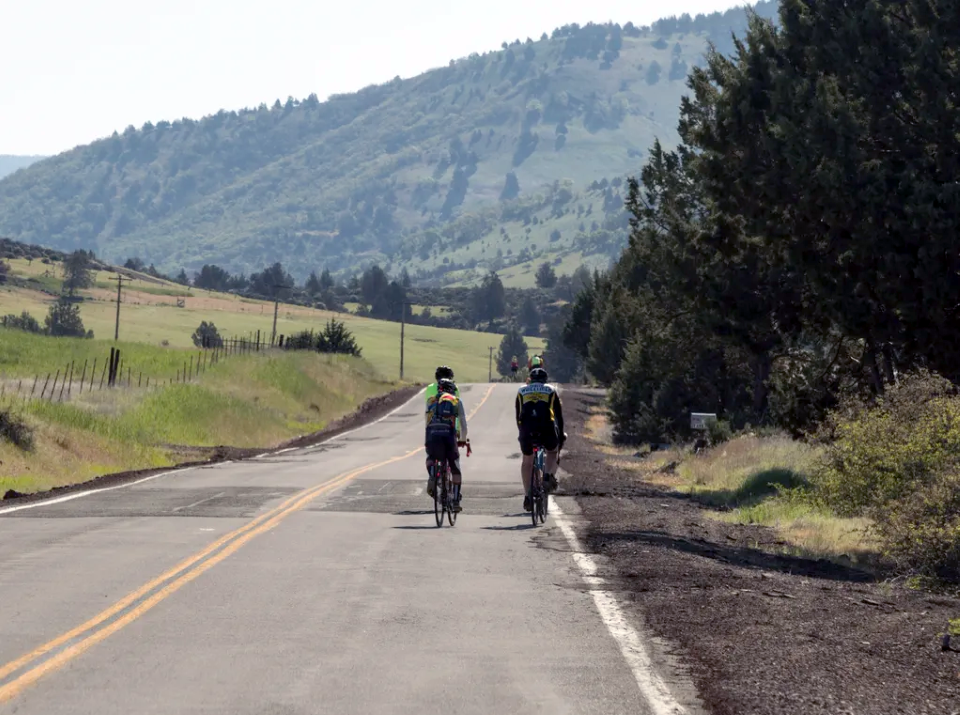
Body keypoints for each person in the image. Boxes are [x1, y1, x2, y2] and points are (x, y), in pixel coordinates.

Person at [515, 366, 565, 512]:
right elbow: (558, 416)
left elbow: (518, 415)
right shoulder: (550, 389)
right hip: (546, 427)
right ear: (545, 380)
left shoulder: (521, 390)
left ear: (530, 380)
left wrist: (522, 433)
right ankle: (548, 476)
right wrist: (561, 435)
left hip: (527, 429)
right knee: (552, 452)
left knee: (527, 461)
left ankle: (528, 495)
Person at [425, 378, 468, 511]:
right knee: (455, 467)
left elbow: (427, 421)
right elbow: (463, 423)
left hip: (432, 435)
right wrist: (463, 439)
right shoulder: (456, 400)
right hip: (448, 435)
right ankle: (455, 500)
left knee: (431, 459)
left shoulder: (430, 401)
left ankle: (433, 474)